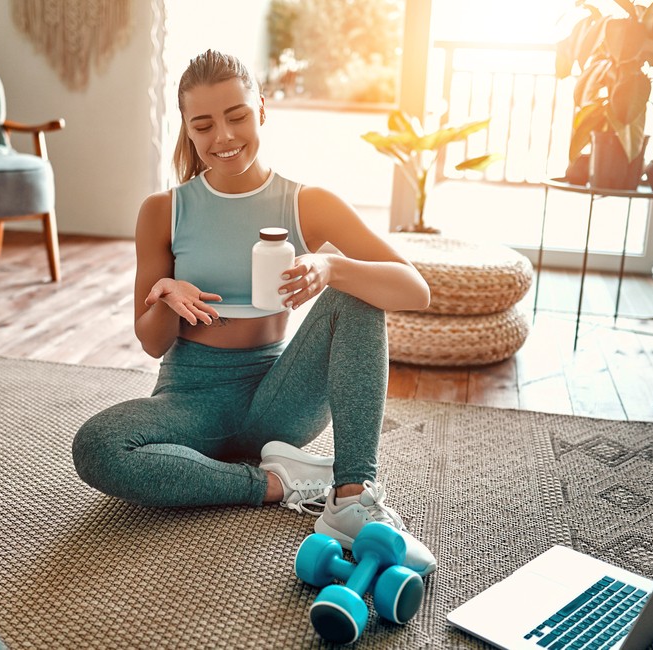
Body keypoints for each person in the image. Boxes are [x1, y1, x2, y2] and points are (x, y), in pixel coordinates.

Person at [72, 50, 435, 575]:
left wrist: (331, 270)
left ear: (262, 109)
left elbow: (414, 289)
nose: (223, 136)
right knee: (97, 446)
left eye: (237, 116)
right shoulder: (162, 211)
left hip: (280, 400)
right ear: (189, 131)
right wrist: (167, 295)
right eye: (204, 124)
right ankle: (278, 482)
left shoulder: (307, 203)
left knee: (358, 292)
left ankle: (351, 497)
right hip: (189, 400)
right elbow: (151, 342)